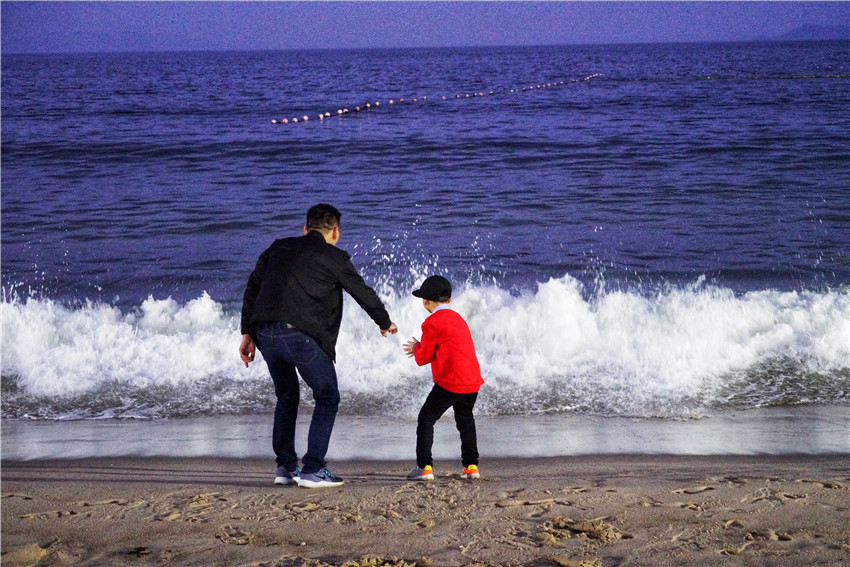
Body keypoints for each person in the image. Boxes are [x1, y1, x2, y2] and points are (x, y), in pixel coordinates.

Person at [239, 204, 398, 488]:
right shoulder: (334, 257)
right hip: (299, 334)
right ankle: (313, 469)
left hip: (266, 333)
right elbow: (362, 291)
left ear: (305, 229)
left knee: (287, 396)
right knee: (327, 396)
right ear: (335, 232)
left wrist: (247, 333)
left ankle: (286, 468)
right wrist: (384, 322)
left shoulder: (277, 248)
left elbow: (252, 287)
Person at [402, 275, 484, 481]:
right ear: (449, 300)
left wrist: (416, 347)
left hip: (450, 382)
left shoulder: (431, 323)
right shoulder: (459, 319)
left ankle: (424, 467)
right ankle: (471, 466)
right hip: (472, 381)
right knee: (465, 420)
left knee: (426, 419)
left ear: (425, 301)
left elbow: (423, 358)